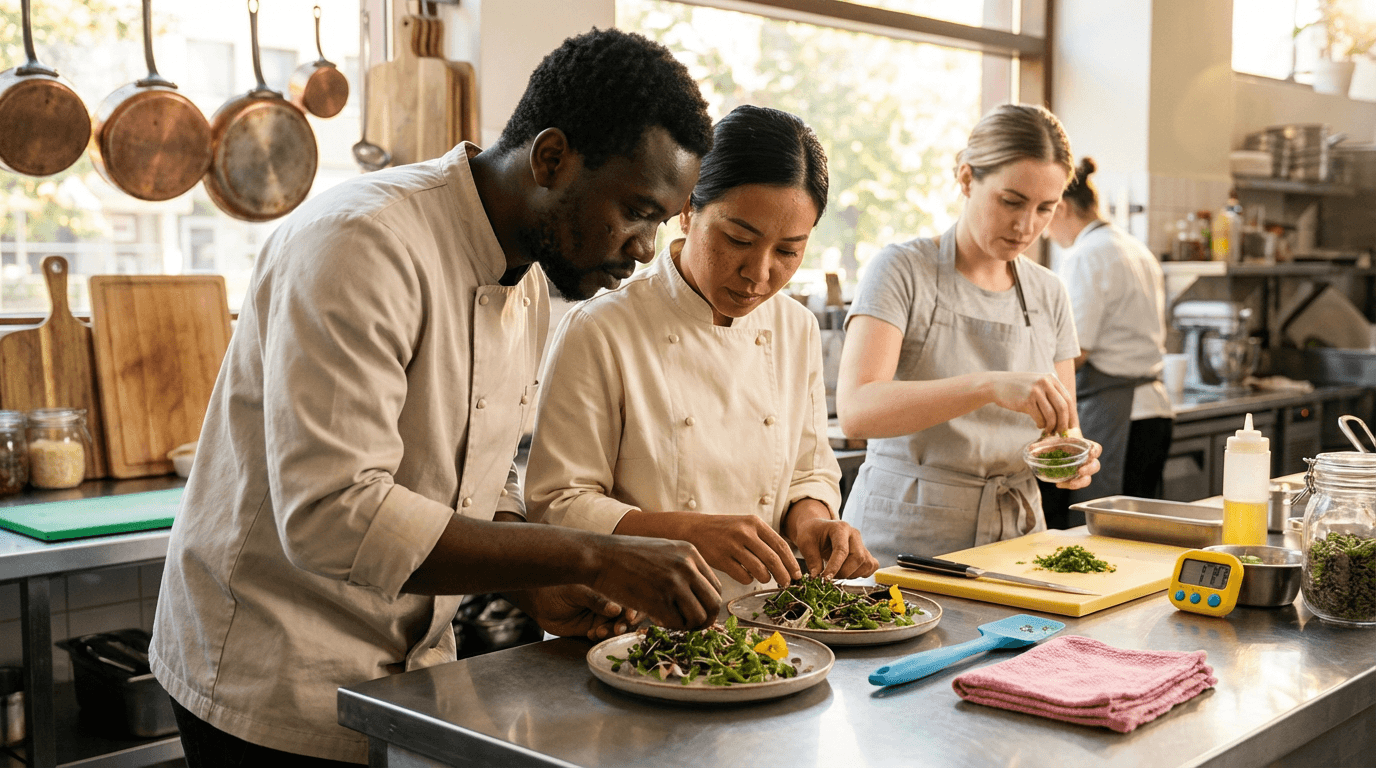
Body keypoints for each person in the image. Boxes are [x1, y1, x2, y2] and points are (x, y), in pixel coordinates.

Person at [151, 29, 724, 766]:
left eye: (661, 222)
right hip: (272, 676)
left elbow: (480, 478)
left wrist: (537, 587)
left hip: (411, 675)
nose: (646, 249)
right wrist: (592, 557)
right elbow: (332, 514)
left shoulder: (527, 282)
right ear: (551, 159)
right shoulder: (363, 242)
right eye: (637, 210)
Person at [526, 105, 878, 601]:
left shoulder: (795, 328)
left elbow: (808, 471)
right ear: (688, 210)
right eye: (738, 239)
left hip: (765, 620)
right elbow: (557, 505)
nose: (759, 274)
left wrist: (814, 523)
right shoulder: (602, 328)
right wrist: (688, 532)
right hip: (632, 620)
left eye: (787, 251)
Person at [835, 104, 1103, 566]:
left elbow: (1063, 424)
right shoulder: (901, 269)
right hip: (903, 540)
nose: (1026, 226)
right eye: (1011, 201)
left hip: (1016, 543)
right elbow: (857, 412)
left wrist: (1071, 456)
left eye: (1046, 208)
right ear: (966, 179)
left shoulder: (1049, 292)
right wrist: (988, 386)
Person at [1044, 157, 1173, 526]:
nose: (1045, 233)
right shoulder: (1136, 248)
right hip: (1154, 413)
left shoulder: (1085, 255)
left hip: (1118, 416)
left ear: (1063, 208)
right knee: (1140, 534)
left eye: (1045, 214)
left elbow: (1075, 352)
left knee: (1103, 531)